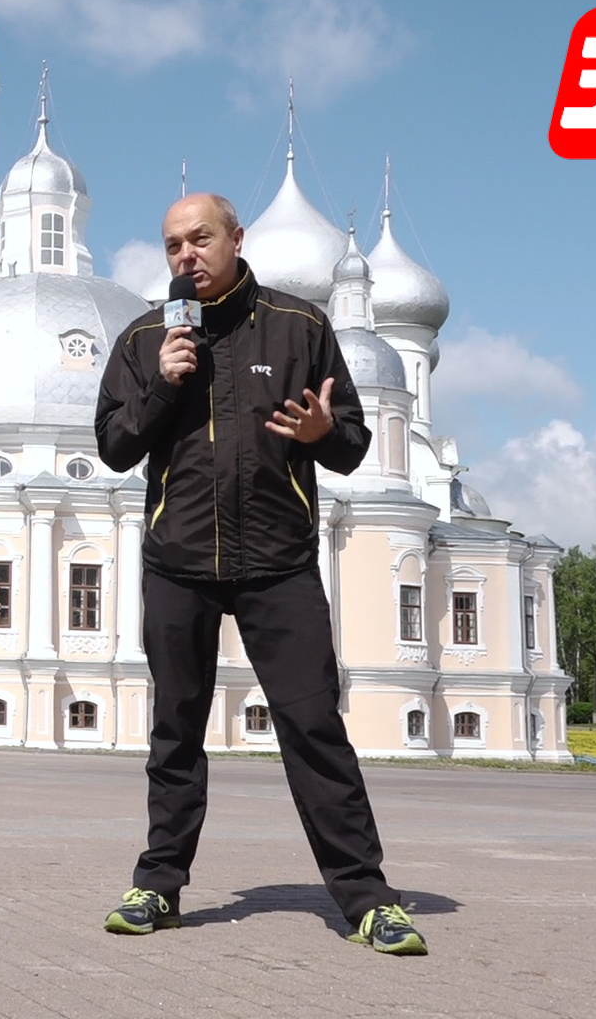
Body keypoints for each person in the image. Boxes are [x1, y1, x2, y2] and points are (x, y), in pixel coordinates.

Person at [93, 193, 425, 956]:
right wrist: (163, 384)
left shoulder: (299, 326)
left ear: (236, 239)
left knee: (314, 728)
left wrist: (320, 431)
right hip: (178, 562)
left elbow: (348, 443)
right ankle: (158, 886)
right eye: (173, 244)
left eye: (200, 239)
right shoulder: (148, 337)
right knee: (175, 732)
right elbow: (114, 445)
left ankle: (368, 898)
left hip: (278, 564)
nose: (186, 255)